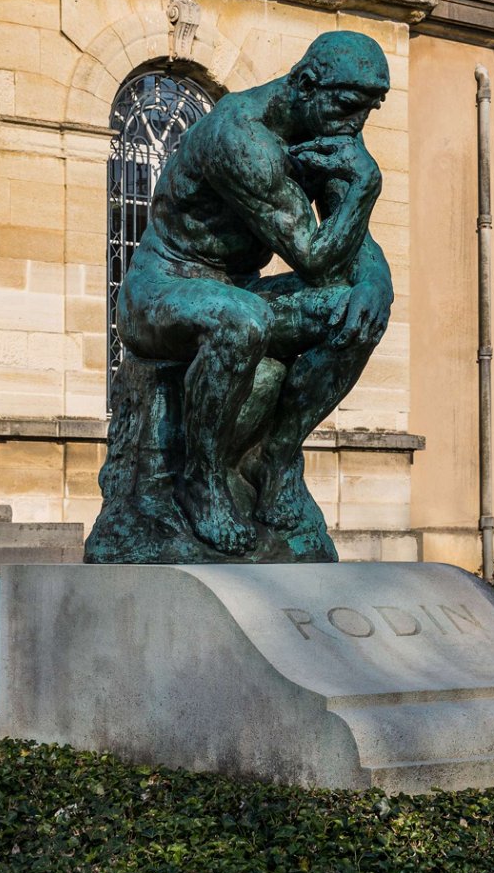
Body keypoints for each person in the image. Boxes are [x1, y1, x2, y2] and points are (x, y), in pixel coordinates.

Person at [115, 30, 393, 555]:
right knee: (243, 321)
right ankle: (202, 478)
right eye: (348, 106)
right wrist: (364, 186)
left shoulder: (329, 131)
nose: (356, 124)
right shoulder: (240, 137)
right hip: (162, 290)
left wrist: (377, 283)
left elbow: (352, 244)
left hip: (239, 292)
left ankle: (279, 453)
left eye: (367, 111)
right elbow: (313, 257)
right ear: (307, 83)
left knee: (354, 312)